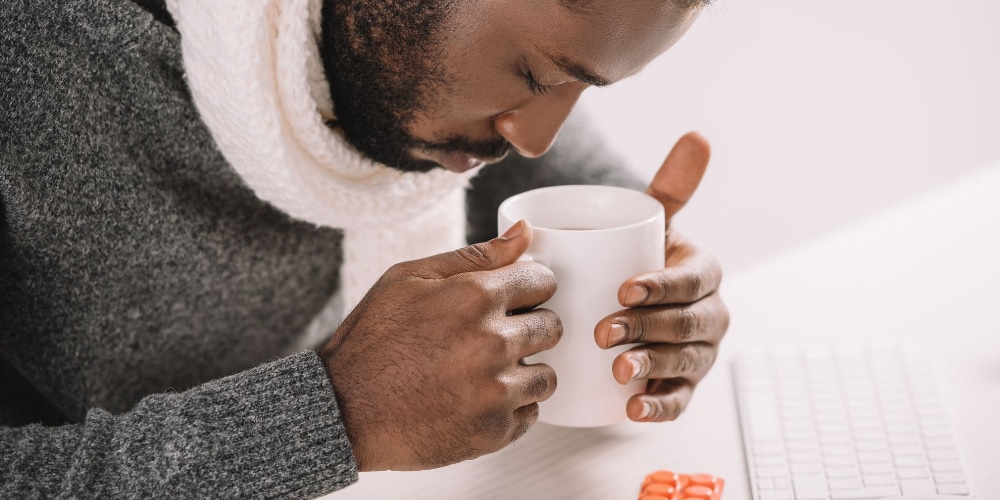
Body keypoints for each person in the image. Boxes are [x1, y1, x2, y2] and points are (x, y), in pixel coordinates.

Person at [0, 0, 729, 497]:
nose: (532, 133)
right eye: (536, 76)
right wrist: (336, 413)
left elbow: (562, 178)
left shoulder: (430, 78)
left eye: (581, 87)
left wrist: (653, 285)